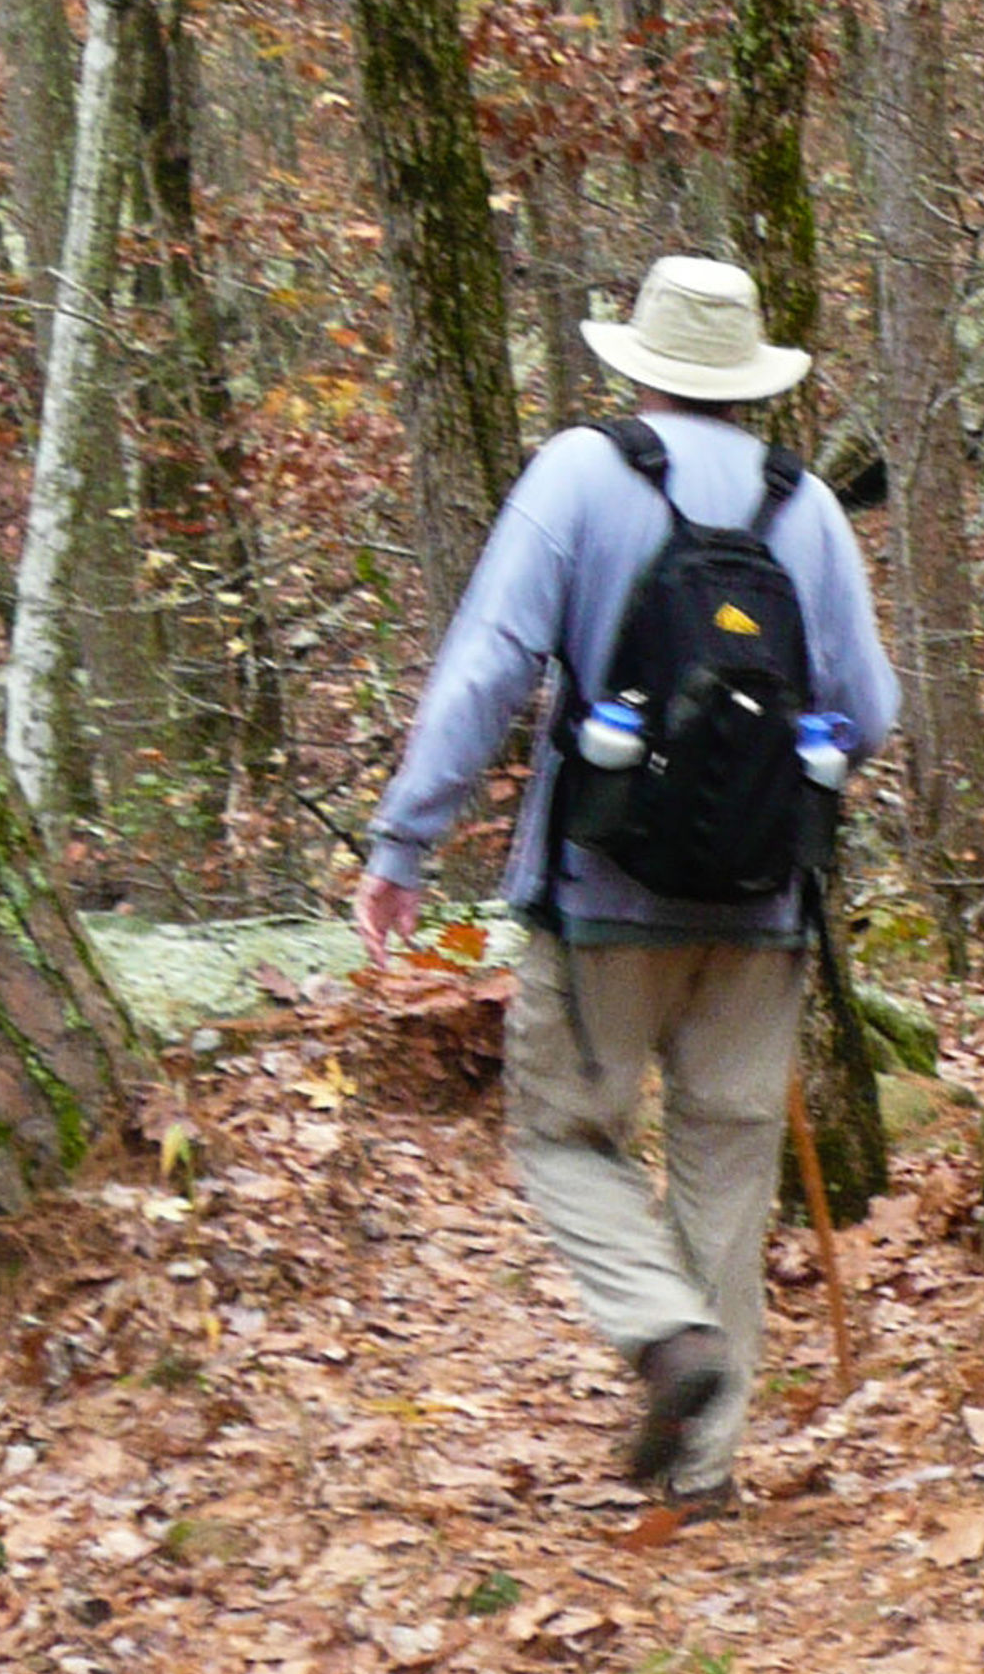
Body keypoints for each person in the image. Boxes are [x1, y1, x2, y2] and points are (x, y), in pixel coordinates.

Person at [354, 255, 903, 1510]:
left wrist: (402, 846)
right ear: (749, 376)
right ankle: (701, 1480)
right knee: (725, 1165)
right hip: (766, 905)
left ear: (639, 363)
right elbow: (870, 709)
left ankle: (669, 1339)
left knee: (564, 1135)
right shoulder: (805, 505)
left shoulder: (578, 476)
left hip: (598, 893)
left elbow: (487, 670)